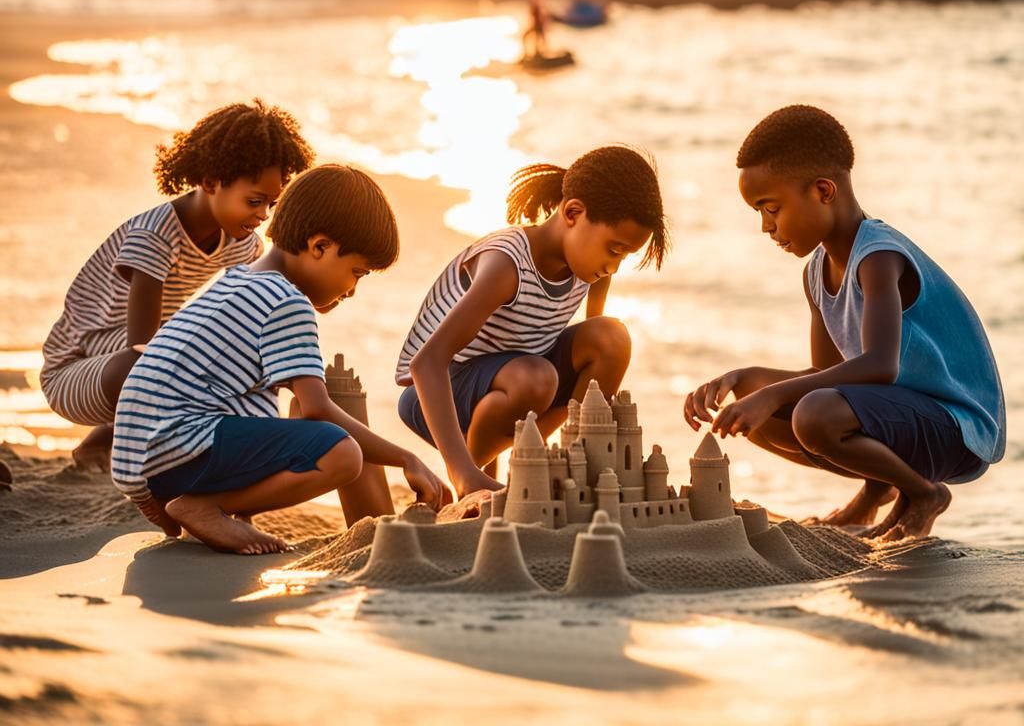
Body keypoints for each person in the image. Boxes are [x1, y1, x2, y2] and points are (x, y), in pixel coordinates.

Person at [683, 105, 1005, 540]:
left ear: (823, 190)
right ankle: (875, 494)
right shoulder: (815, 272)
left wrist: (773, 393)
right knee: (752, 404)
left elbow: (879, 365)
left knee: (815, 413)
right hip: (904, 417)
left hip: (958, 430)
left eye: (771, 208)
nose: (765, 227)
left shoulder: (878, 257)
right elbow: (823, 375)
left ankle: (925, 494)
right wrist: (740, 379)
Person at [111, 164, 451, 554]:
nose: (353, 290)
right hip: (182, 449)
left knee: (274, 417)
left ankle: (212, 508)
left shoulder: (235, 281)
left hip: (145, 462)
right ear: (319, 246)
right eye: (356, 272)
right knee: (342, 454)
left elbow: (235, 400)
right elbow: (317, 410)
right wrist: (406, 458)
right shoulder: (287, 302)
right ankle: (206, 506)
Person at [41, 100, 314, 472]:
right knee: (163, 361)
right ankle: (137, 454)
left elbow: (249, 313)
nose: (263, 215)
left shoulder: (243, 243)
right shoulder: (154, 237)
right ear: (210, 181)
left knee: (225, 354)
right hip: (78, 371)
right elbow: (141, 347)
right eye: (254, 201)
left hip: (137, 358)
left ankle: (102, 444)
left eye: (271, 204)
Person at [397, 145, 669, 498]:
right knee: (536, 379)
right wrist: (460, 470)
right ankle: (470, 473)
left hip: (513, 378)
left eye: (624, 256)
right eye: (614, 250)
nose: (614, 267)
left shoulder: (590, 268)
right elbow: (427, 362)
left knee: (612, 337)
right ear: (573, 213)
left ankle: (549, 467)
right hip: (440, 389)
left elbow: (591, 373)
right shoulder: (505, 265)